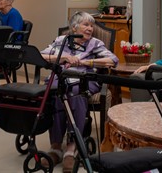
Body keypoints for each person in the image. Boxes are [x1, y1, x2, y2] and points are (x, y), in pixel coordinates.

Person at [40, 11, 118, 171]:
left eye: (91, 25)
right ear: (74, 27)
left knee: (74, 91)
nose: (90, 28)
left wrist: (86, 62)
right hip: (61, 78)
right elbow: (42, 56)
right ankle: (55, 146)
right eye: (86, 24)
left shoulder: (95, 44)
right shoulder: (62, 41)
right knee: (55, 91)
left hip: (85, 79)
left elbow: (112, 60)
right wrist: (64, 58)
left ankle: (72, 146)